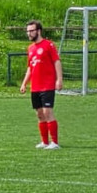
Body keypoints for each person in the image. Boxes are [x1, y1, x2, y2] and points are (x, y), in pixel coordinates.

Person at [19, 20, 62, 149]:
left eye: (31, 31)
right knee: (39, 114)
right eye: (27, 31)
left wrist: (59, 79)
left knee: (47, 112)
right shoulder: (30, 48)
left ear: (38, 31)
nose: (29, 34)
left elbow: (57, 62)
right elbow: (30, 67)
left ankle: (55, 142)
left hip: (47, 85)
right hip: (35, 86)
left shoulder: (49, 45)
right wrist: (24, 83)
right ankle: (45, 142)